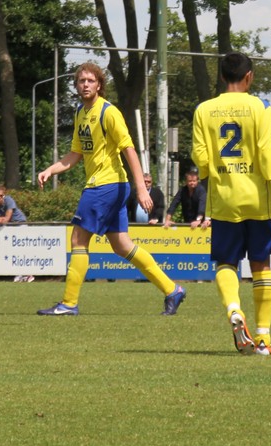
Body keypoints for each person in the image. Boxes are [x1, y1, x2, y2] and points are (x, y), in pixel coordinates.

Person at [35, 61, 186, 316]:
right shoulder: (80, 114)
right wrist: (50, 170)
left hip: (105, 185)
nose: (85, 85)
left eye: (90, 81)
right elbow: (75, 154)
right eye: (81, 81)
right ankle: (172, 290)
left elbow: (129, 150)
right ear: (76, 85)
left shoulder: (108, 112)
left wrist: (141, 189)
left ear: (99, 85)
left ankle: (69, 303)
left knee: (78, 239)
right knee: (122, 246)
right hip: (109, 187)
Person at [191, 51, 271, 355]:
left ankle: (234, 308)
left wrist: (213, 178)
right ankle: (263, 338)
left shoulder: (204, 110)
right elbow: (268, 153)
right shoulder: (260, 107)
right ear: (249, 76)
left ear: (222, 76)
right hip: (258, 200)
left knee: (226, 262)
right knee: (261, 265)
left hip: (224, 200)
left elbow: (200, 157)